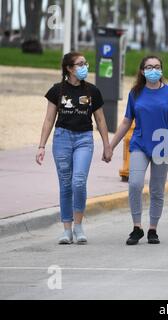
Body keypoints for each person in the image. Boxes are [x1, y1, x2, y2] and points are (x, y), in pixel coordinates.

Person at [36, 52, 112, 245]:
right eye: (80, 64)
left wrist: (107, 145)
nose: (84, 67)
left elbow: (101, 120)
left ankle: (78, 226)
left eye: (85, 63)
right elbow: (48, 120)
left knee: (78, 181)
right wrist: (41, 145)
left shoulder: (93, 91)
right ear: (69, 68)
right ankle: (67, 230)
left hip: (84, 139)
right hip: (62, 138)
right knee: (66, 184)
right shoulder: (57, 90)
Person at [109, 56, 168, 245]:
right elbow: (127, 121)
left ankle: (153, 229)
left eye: (157, 67)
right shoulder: (136, 93)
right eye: (149, 67)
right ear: (142, 71)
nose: (153, 70)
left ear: (162, 70)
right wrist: (111, 145)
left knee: (157, 190)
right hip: (140, 144)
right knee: (134, 184)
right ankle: (137, 227)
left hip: (162, 145)